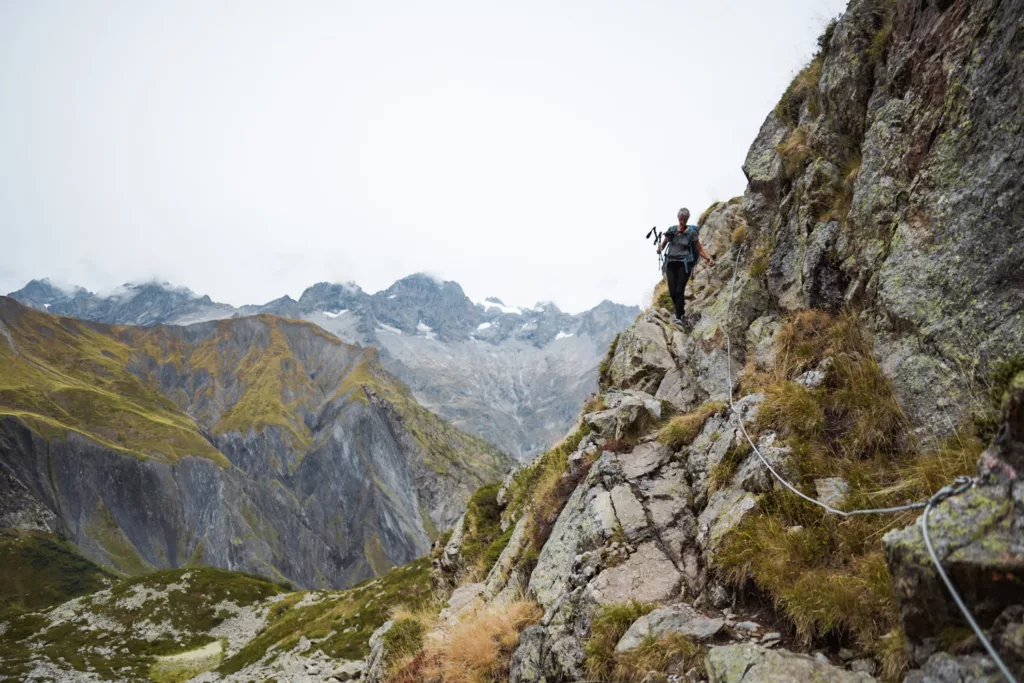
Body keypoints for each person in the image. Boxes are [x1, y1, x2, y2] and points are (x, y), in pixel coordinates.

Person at [657, 208, 715, 325]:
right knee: (673, 292)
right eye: (680, 219)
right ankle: (680, 311)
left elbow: (699, 249)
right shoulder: (672, 230)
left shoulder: (691, 233)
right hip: (671, 264)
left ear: (687, 219)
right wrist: (660, 249)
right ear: (678, 218)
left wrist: (708, 258)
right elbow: (663, 244)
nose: (682, 221)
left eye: (684, 219)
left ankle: (679, 316)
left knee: (679, 290)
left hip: (684, 264)